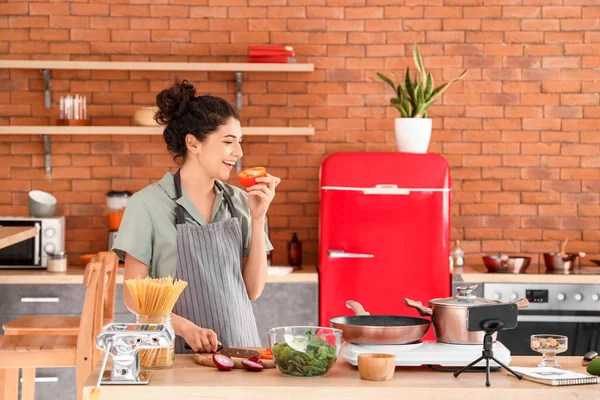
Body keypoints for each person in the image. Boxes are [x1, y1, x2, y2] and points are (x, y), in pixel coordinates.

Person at [112, 79, 280, 354]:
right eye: (228, 142)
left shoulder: (241, 202)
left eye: (240, 142)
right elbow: (133, 298)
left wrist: (259, 218)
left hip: (240, 349)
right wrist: (185, 328)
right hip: (172, 351)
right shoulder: (147, 205)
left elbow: (252, 290)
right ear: (193, 143)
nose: (238, 153)